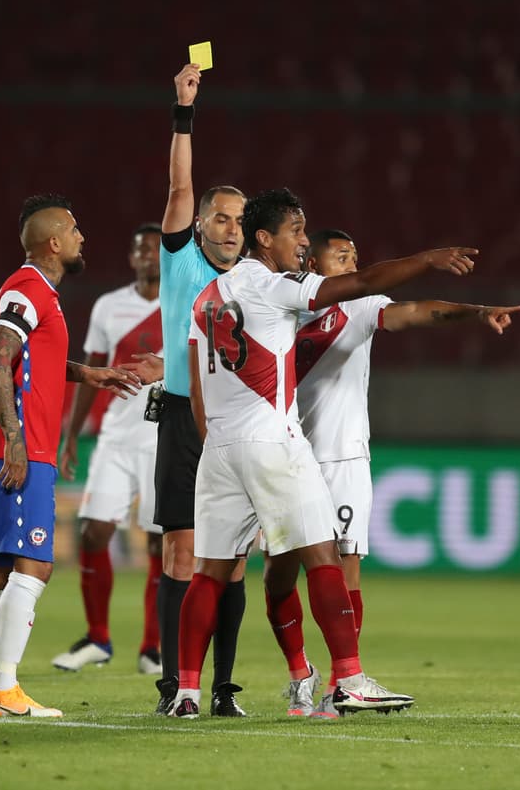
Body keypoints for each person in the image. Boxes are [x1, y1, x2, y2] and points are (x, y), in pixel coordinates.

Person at [168, 187, 479, 719]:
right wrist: (427, 259)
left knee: (208, 573)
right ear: (264, 238)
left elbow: (198, 387)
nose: (302, 241)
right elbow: (359, 284)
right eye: (294, 230)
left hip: (218, 449)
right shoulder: (276, 286)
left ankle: (186, 693)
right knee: (323, 557)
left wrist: (215, 441)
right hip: (273, 441)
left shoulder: (206, 298)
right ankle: (350, 680)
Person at [278, 228, 520, 717]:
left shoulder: (362, 307)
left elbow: (418, 312)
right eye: (341, 257)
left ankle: (343, 682)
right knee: (279, 573)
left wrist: (475, 313)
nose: (352, 265)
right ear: (314, 266)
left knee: (346, 567)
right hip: (285, 455)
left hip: (343, 456)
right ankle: (300, 674)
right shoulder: (281, 311)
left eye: (355, 256)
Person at [0, 194, 141, 718]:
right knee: (34, 565)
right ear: (54, 242)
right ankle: (4, 687)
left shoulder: (38, 293)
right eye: (75, 230)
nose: (83, 238)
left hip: (11, 446)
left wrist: (88, 373)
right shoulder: (28, 288)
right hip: (19, 448)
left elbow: (34, 359)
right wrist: (15, 441)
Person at [151, 62, 250, 717]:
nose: (231, 228)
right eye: (220, 218)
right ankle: (174, 688)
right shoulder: (180, 257)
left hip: (238, 422)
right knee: (181, 552)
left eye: (240, 220)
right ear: (200, 225)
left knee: (233, 560)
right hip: (184, 416)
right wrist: (184, 112)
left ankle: (221, 688)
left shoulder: (255, 277)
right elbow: (180, 184)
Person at [50, 223, 166, 676]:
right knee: (93, 532)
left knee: (161, 543)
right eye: (141, 249)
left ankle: (153, 647)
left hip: (165, 437)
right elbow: (91, 372)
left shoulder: (188, 303)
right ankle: (97, 638)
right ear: (132, 257)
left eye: (156, 248)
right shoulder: (109, 306)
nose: (149, 255)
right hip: (116, 437)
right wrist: (71, 434)